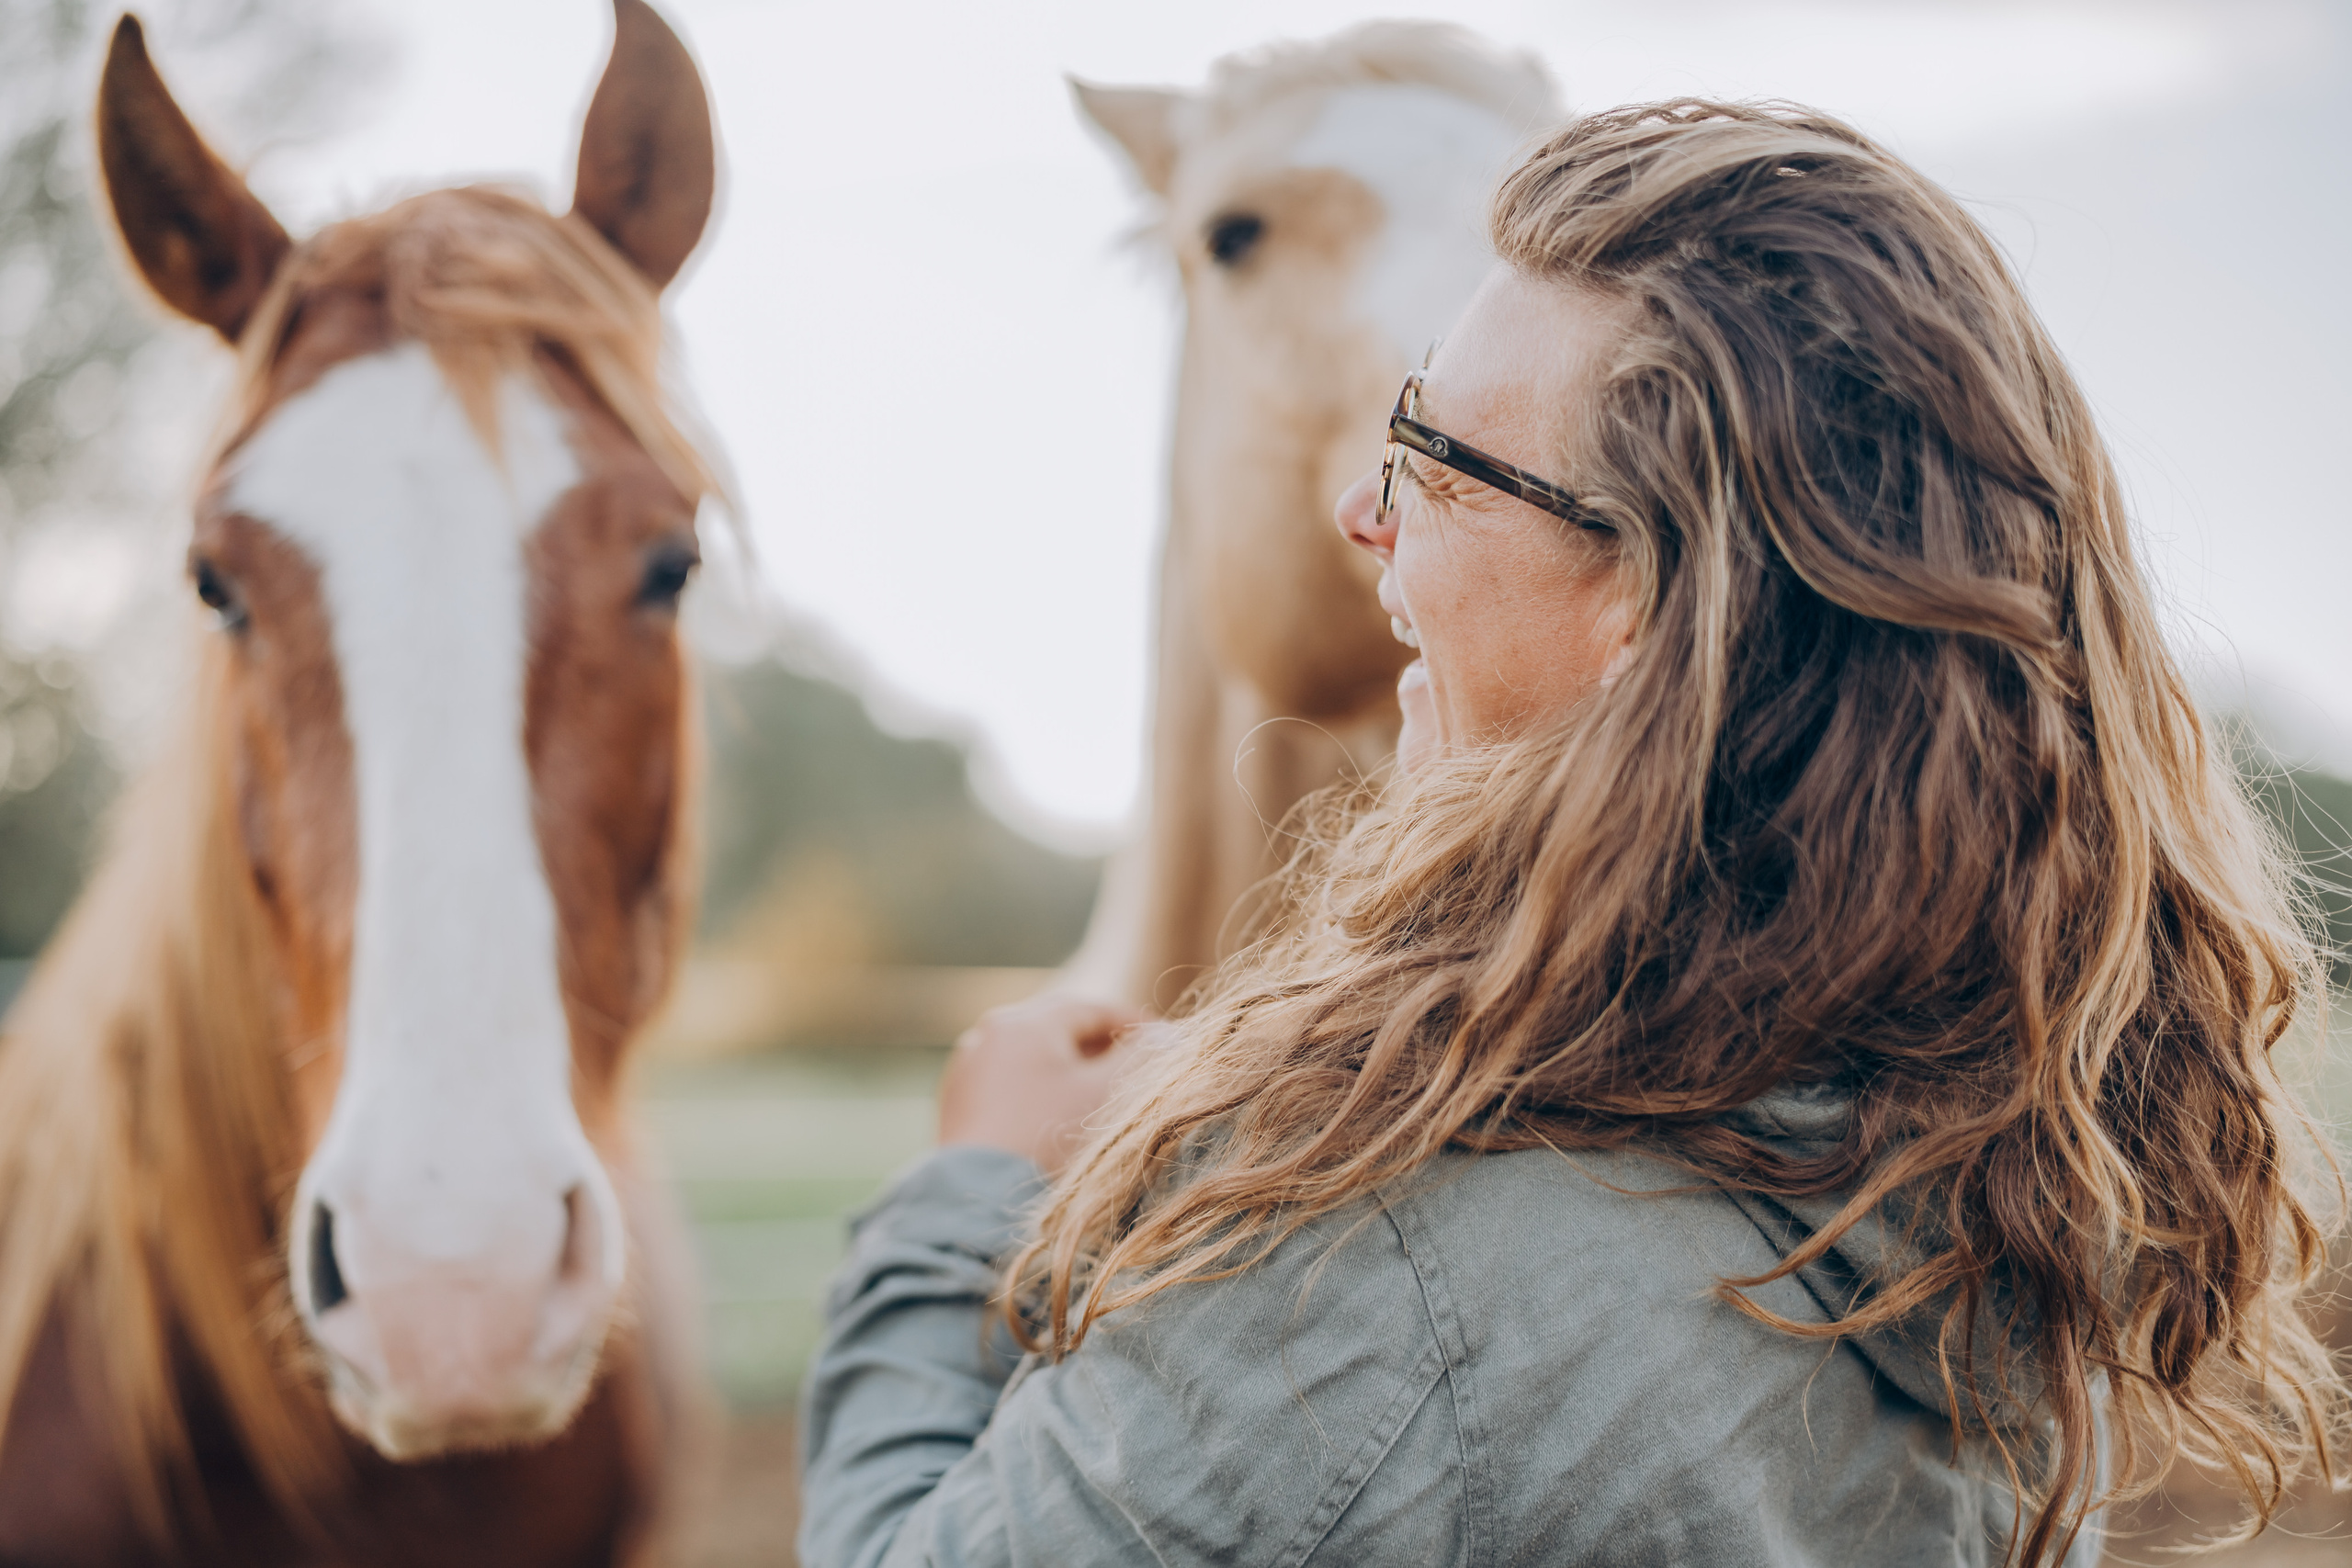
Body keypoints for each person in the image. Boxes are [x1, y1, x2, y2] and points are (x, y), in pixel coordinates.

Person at [797, 101, 2344, 1567]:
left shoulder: (1384, 1282)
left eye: (1438, 458)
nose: (1362, 510)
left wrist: (967, 1203)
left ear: (1659, 605)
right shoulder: (1992, 1203)